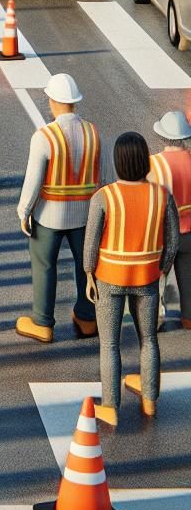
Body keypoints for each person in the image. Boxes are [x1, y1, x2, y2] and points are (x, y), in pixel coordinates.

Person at [85, 132, 179, 427]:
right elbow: (173, 241)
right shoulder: (163, 195)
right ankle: (150, 398)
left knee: (110, 344)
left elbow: (91, 244)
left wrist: (89, 273)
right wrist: (162, 268)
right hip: (147, 277)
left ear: (117, 162)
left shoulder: (104, 196)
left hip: (110, 277)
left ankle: (110, 406)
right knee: (148, 339)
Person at [16, 73, 100, 344]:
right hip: (86, 213)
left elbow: (33, 181)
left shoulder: (44, 136)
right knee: (85, 266)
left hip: (49, 215)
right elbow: (105, 177)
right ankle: (87, 317)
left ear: (52, 101)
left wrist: (24, 211)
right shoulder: (93, 132)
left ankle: (42, 321)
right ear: (75, 102)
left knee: (44, 265)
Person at [149, 110, 191, 329]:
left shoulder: (154, 164)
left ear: (162, 136)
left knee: (158, 277)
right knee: (188, 278)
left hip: (164, 235)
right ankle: (188, 318)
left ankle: (156, 317)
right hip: (190, 233)